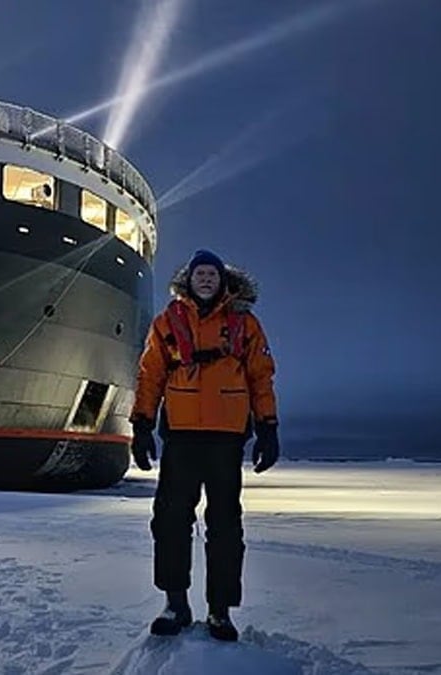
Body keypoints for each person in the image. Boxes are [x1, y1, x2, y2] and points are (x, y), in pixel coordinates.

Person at [130, 249, 280, 642]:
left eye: (212, 273)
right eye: (200, 274)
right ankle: (175, 603)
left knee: (225, 525)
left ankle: (220, 610)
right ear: (189, 280)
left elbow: (261, 377)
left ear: (222, 279)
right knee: (170, 520)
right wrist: (142, 424)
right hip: (180, 435)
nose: (207, 279)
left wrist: (268, 427)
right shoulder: (167, 323)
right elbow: (150, 374)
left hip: (226, 438)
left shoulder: (245, 325)